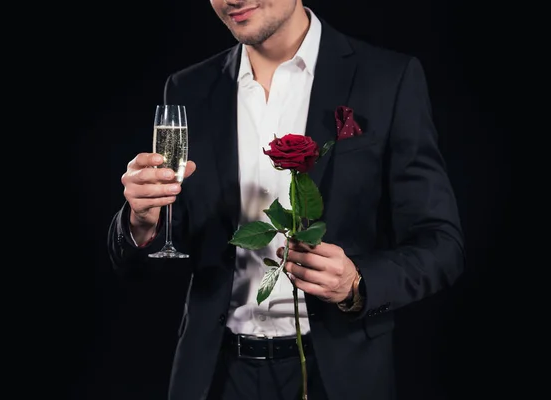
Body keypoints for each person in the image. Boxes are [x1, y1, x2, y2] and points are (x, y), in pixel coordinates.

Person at [107, 1, 465, 399]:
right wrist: (141, 222)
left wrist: (357, 281)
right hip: (215, 376)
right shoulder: (189, 87)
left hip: (336, 375)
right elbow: (159, 255)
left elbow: (442, 243)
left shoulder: (387, 78)